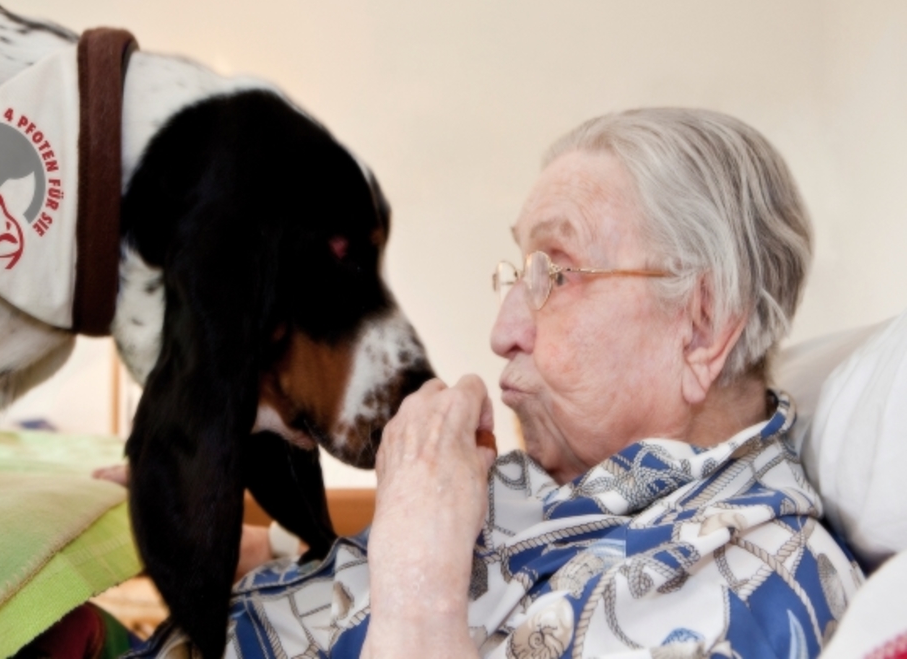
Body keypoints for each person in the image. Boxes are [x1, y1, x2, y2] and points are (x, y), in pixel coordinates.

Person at [137, 108, 862, 659]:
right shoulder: (575, 486)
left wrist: (419, 582)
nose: (504, 328)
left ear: (701, 327)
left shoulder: (748, 592)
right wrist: (266, 559)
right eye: (520, 273)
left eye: (556, 271)